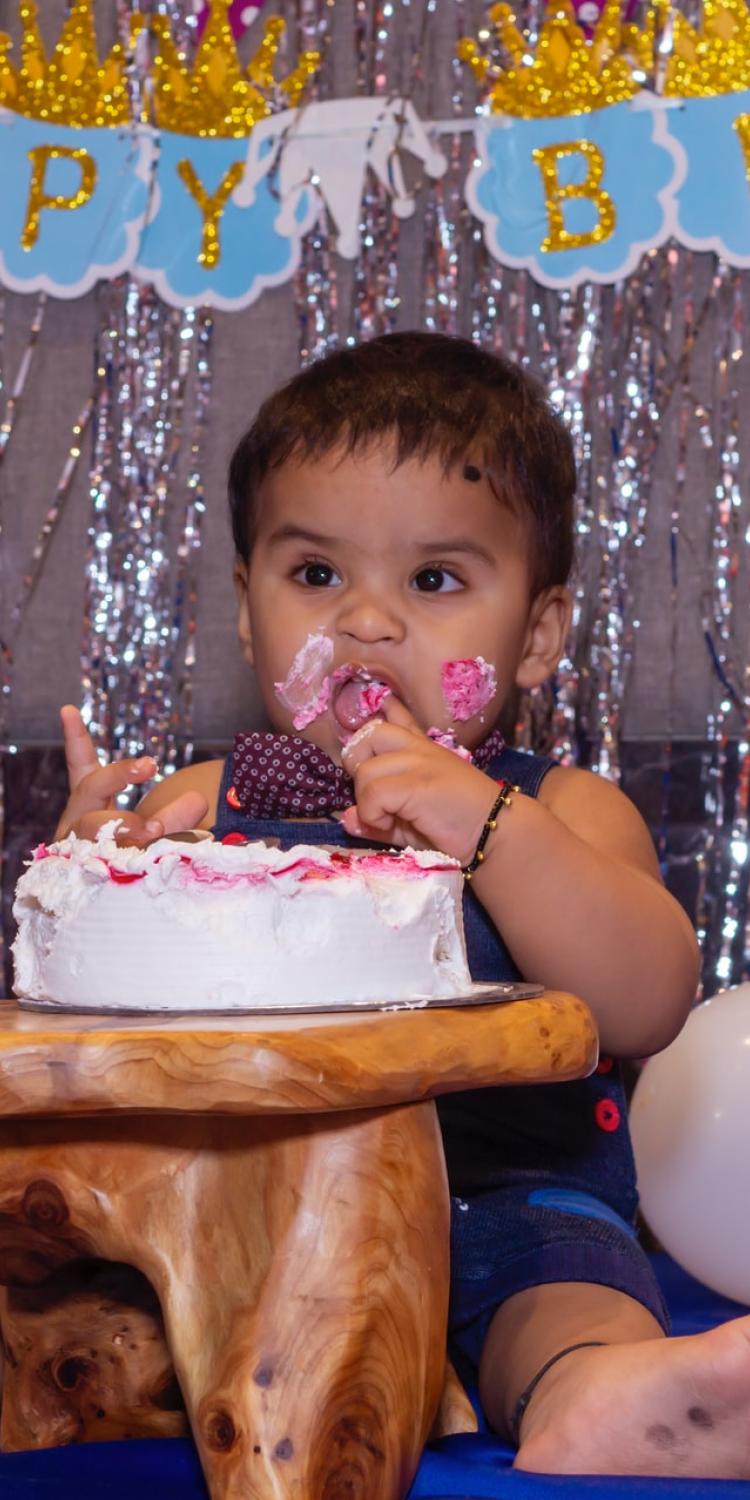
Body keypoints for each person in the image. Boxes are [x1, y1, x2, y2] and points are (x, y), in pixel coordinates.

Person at [55, 333, 750, 1480]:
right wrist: (94, 869)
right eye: (317, 574)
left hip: (498, 1203)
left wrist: (487, 827)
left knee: (562, 1299)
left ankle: (607, 1396)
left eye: (433, 581)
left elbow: (647, 1001)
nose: (368, 623)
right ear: (247, 609)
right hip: (245, 1208)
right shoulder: (202, 802)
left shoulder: (559, 809)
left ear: (534, 636)